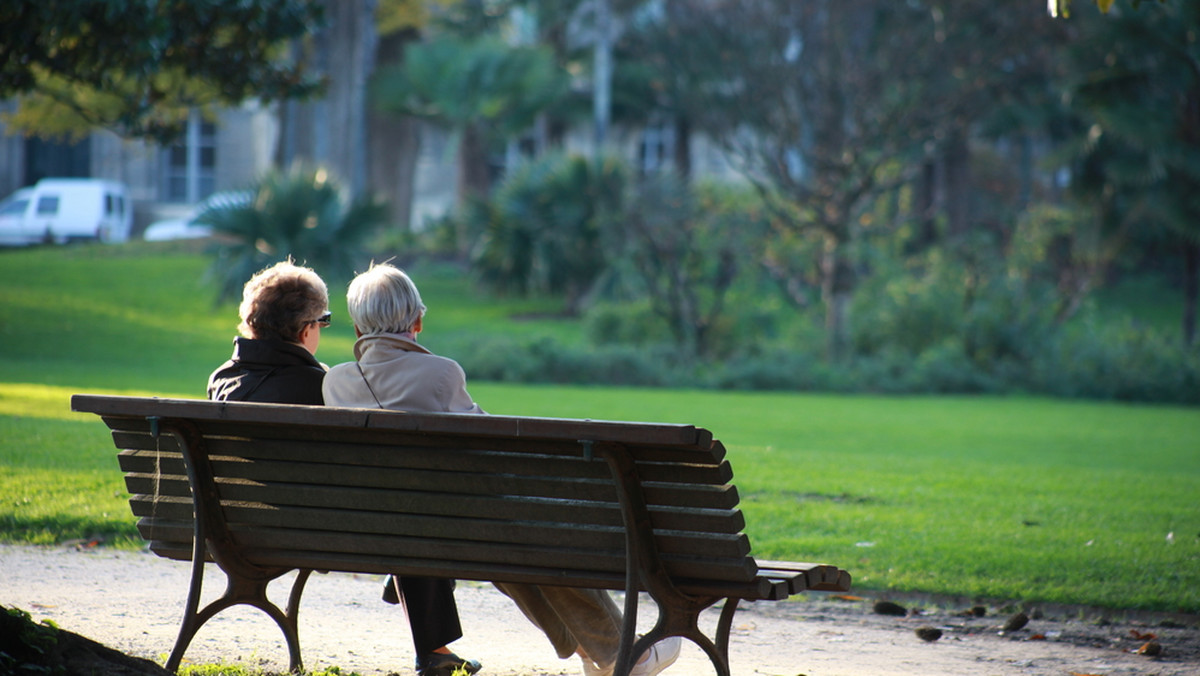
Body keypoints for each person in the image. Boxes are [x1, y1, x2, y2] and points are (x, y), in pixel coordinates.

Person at [322, 262, 681, 676]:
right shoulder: (441, 372)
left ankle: (598, 652)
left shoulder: (335, 383)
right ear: (417, 321)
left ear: (356, 329)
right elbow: (492, 451)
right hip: (453, 530)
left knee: (519, 545)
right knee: (536, 539)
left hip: (385, 532)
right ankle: (624, 655)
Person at [207, 259, 481, 676]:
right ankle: (434, 649)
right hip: (326, 528)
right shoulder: (314, 385)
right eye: (324, 321)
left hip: (230, 526)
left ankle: (431, 639)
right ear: (305, 331)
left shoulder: (221, 381)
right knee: (410, 506)